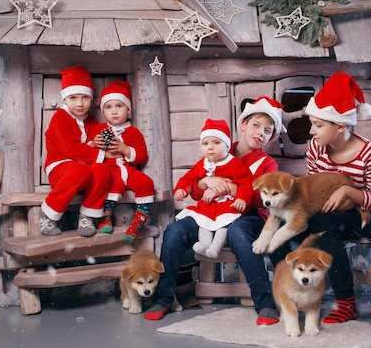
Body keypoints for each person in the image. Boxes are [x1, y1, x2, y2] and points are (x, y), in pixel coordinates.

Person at [145, 97, 286, 325]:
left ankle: (265, 303)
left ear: (272, 137)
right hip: (210, 214)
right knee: (174, 231)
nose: (260, 133)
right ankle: (164, 298)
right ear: (243, 125)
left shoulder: (267, 163)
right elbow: (196, 187)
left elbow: (263, 199)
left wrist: (231, 187)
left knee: (238, 233)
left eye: (268, 131)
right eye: (255, 125)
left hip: (246, 217)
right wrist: (204, 184)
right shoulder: (217, 146)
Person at [270, 72, 371, 324]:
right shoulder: (315, 148)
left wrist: (347, 191)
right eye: (312, 123)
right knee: (278, 228)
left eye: (319, 125)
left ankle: (346, 302)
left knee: (324, 228)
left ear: (341, 126)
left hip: (365, 217)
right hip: (325, 216)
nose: (312, 131)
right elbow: (313, 192)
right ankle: (290, 290)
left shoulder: (367, 152)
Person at [39, 65, 112, 237]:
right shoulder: (60, 118)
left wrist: (102, 141)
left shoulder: (91, 122)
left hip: (83, 171)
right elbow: (69, 149)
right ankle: (48, 215)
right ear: (65, 99)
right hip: (61, 169)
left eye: (85, 97)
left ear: (91, 99)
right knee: (80, 171)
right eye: (73, 97)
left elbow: (98, 141)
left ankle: (87, 215)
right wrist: (99, 152)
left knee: (102, 169)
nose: (79, 103)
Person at [173, 119, 254, 258]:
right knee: (203, 222)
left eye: (216, 143)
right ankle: (205, 244)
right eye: (205, 143)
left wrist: (242, 198)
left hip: (227, 205)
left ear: (227, 146)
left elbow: (247, 183)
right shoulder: (201, 164)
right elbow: (188, 178)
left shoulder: (235, 164)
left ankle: (215, 247)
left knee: (224, 224)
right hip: (208, 206)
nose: (210, 147)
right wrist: (182, 189)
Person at [90, 80, 155, 244]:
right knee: (114, 184)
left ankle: (137, 224)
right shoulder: (99, 129)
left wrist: (126, 149)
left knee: (146, 183)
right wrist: (93, 144)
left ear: (128, 110)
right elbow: (87, 153)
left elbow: (141, 156)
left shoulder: (134, 132)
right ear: (103, 112)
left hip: (128, 169)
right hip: (109, 170)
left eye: (119, 106)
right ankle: (104, 218)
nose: (114, 111)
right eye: (108, 107)